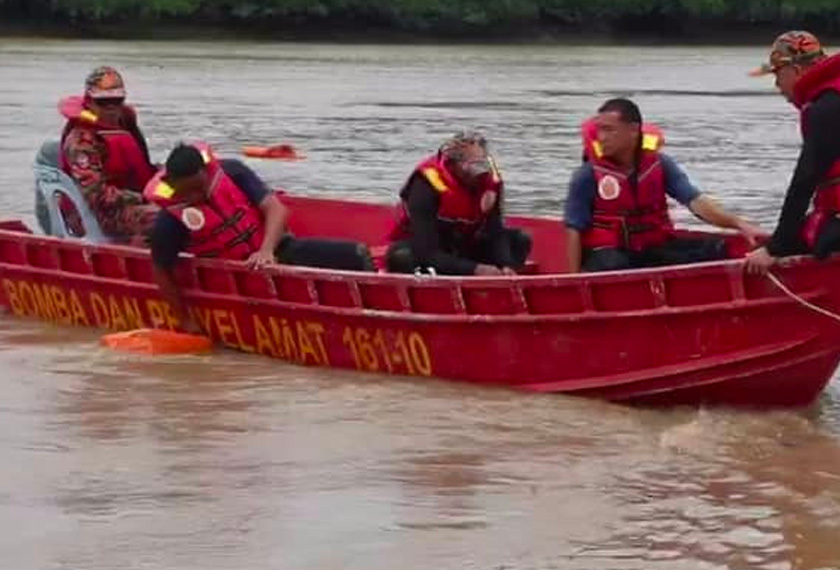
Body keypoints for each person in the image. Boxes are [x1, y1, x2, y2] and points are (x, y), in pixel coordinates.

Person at [144, 143, 374, 330]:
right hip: (231, 278)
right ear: (172, 185)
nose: (195, 196)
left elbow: (276, 209)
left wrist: (266, 250)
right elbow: (161, 269)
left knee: (357, 254)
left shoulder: (233, 172)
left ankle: (367, 319)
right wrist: (184, 320)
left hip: (276, 251)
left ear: (205, 172)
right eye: (187, 191)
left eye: (198, 187)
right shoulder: (170, 218)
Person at [565, 98, 766, 273]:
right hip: (610, 254)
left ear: (634, 130)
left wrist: (740, 224)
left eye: (609, 130)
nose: (601, 137)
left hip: (652, 247)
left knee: (715, 249)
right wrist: (574, 282)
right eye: (599, 130)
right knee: (615, 265)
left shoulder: (660, 165)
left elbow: (695, 202)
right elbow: (573, 230)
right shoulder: (586, 175)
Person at [745, 31, 840, 274]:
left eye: (777, 75)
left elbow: (805, 180)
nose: (777, 85)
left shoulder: (826, 108)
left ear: (796, 71)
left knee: (808, 236)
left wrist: (775, 248)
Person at [385, 131, 532, 276]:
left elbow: (495, 230)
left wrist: (505, 264)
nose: (479, 177)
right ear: (453, 165)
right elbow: (427, 251)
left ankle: (502, 285)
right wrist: (474, 269)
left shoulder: (489, 181)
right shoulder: (426, 185)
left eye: (482, 167)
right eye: (473, 170)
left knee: (519, 239)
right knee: (402, 256)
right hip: (429, 246)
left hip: (464, 243)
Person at [59, 66, 159, 243]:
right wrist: (146, 198)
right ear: (89, 102)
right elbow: (96, 194)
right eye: (103, 102)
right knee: (162, 220)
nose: (111, 107)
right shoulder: (81, 141)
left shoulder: (124, 125)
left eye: (117, 100)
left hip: (132, 201)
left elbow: (143, 168)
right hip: (93, 212)